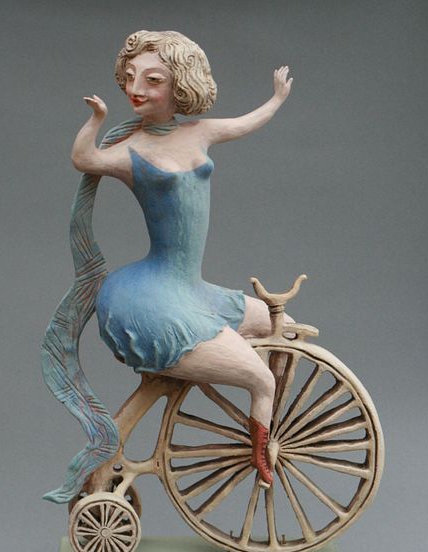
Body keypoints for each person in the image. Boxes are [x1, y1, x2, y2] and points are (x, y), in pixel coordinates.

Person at [71, 30, 293, 487]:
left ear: (181, 85)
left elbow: (246, 122)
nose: (135, 89)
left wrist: (276, 99)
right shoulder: (131, 152)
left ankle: (272, 422)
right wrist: (97, 119)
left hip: (192, 291)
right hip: (151, 300)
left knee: (284, 330)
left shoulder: (200, 131)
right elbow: (84, 159)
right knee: (262, 380)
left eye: (152, 80)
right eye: (130, 77)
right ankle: (261, 453)